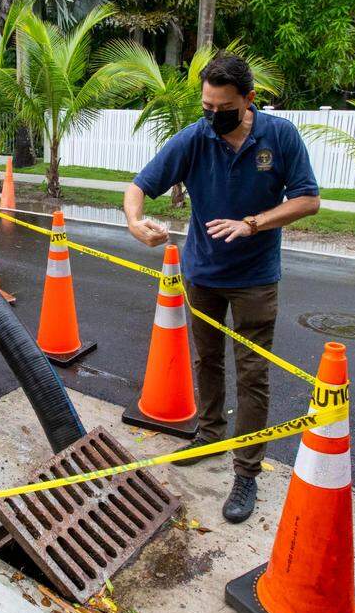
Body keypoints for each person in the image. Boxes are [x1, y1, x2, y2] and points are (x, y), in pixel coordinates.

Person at [122, 54, 320, 523]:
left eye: (222, 106)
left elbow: (309, 200)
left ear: (249, 100)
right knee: (205, 359)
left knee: (252, 375)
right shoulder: (196, 136)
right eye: (207, 105)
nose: (213, 115)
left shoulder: (281, 137)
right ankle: (210, 433)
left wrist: (253, 224)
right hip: (202, 275)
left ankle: (246, 471)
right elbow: (139, 186)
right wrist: (134, 222)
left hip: (255, 279)